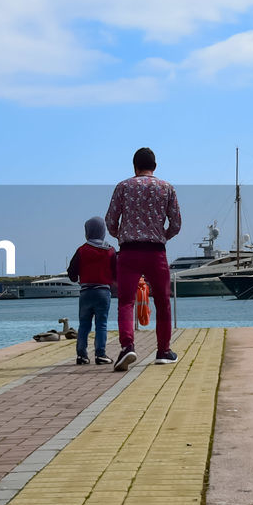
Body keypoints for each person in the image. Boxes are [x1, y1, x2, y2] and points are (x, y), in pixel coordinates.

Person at [105, 147, 182, 369]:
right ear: (154, 167)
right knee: (162, 301)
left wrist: (122, 235)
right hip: (156, 250)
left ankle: (128, 347)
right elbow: (176, 223)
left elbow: (110, 220)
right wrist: (162, 236)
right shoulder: (166, 188)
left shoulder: (123, 187)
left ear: (134, 167)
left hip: (128, 251)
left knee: (126, 302)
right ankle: (164, 351)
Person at [66, 216, 117, 366]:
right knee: (101, 324)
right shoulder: (110, 250)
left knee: (84, 325)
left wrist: (77, 277)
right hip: (103, 292)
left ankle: (82, 355)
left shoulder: (82, 250)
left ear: (87, 232)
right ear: (103, 231)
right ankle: (100, 354)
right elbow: (116, 273)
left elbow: (72, 272)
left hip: (86, 292)